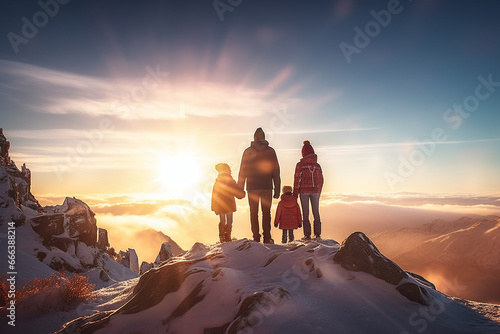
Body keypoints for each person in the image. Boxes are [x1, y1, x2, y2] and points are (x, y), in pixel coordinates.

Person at [238, 127, 281, 244]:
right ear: (264, 137)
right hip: (267, 187)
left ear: (254, 138)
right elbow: (276, 171)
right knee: (266, 213)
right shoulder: (271, 151)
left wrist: (240, 189)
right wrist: (277, 189)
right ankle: (267, 237)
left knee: (253, 213)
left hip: (252, 187)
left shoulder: (248, 152)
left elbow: (242, 171)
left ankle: (256, 237)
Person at [293, 140, 324, 240]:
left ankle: (307, 235)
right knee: (316, 212)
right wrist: (319, 190)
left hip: (304, 191)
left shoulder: (300, 165)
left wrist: (295, 194)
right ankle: (318, 234)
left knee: (305, 213)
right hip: (316, 192)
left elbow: (297, 179)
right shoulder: (317, 166)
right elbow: (321, 179)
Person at [211, 163, 245, 243]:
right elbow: (235, 190)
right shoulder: (230, 180)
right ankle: (228, 236)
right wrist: (242, 194)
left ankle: (222, 236)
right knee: (229, 220)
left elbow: (214, 194)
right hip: (229, 203)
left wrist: (213, 206)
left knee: (222, 220)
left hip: (220, 204)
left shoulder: (217, 182)